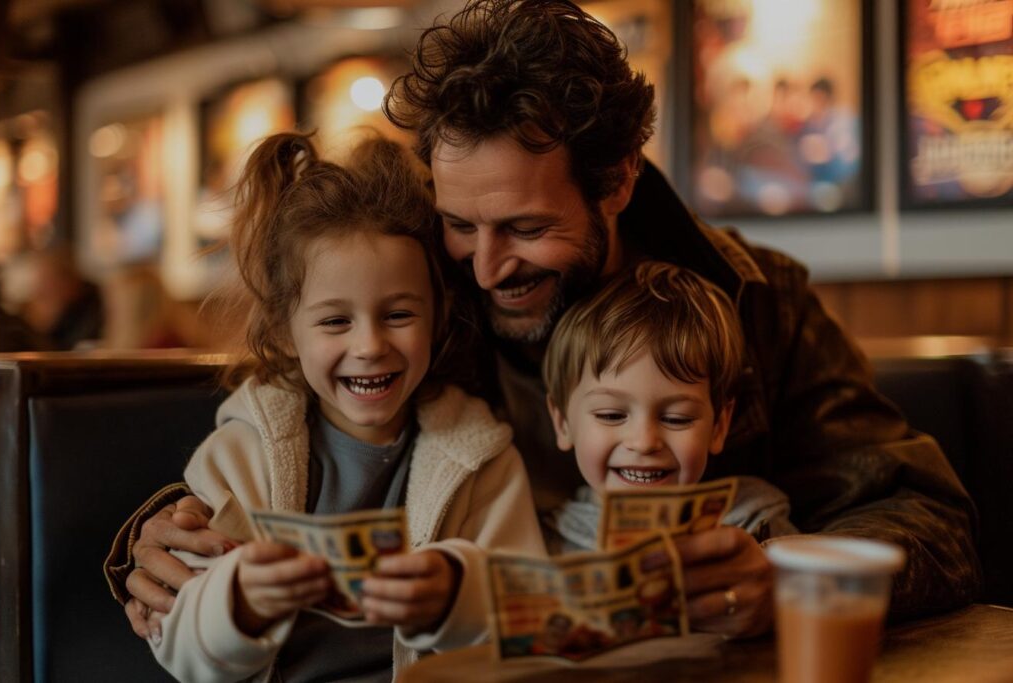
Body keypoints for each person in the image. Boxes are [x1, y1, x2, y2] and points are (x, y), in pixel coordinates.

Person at [109, 0, 979, 646]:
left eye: (527, 229)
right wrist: (166, 528)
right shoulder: (426, 288)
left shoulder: (753, 300)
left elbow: (928, 518)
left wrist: (784, 580)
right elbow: (299, 416)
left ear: (617, 184)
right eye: (461, 225)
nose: (486, 269)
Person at [139, 132, 544, 682]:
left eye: (399, 315)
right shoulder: (239, 454)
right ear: (286, 331)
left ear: (439, 316)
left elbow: (533, 613)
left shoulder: (483, 457)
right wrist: (239, 602)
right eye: (335, 321)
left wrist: (456, 593)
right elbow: (178, 646)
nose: (370, 345)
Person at [541, 262, 797, 566]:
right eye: (611, 415)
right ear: (562, 423)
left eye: (677, 418)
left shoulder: (757, 524)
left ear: (719, 425)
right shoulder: (545, 542)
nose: (644, 442)